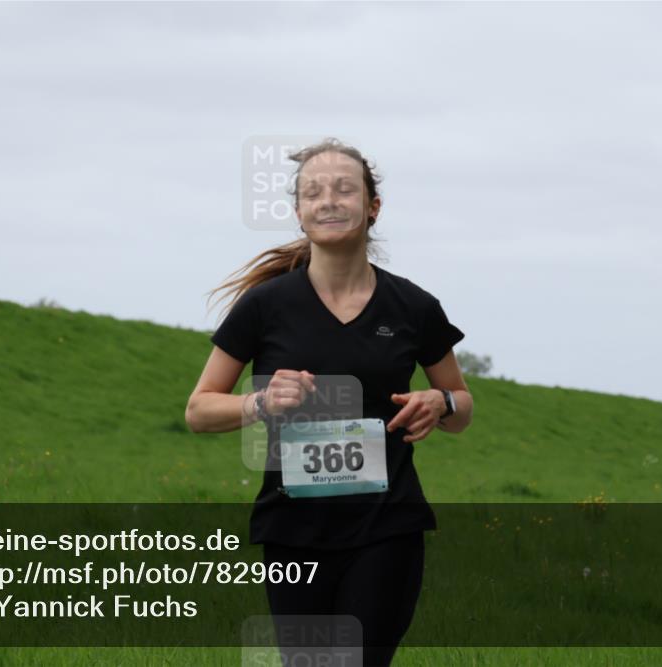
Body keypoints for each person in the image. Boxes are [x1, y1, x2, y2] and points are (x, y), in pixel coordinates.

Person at [185, 137, 473, 666]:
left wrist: (442, 403)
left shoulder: (414, 306)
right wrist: (260, 404)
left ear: (372, 207)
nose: (329, 200)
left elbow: (461, 404)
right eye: (314, 192)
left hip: (387, 526)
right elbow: (199, 409)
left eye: (345, 189)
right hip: (292, 531)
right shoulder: (265, 307)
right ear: (299, 213)